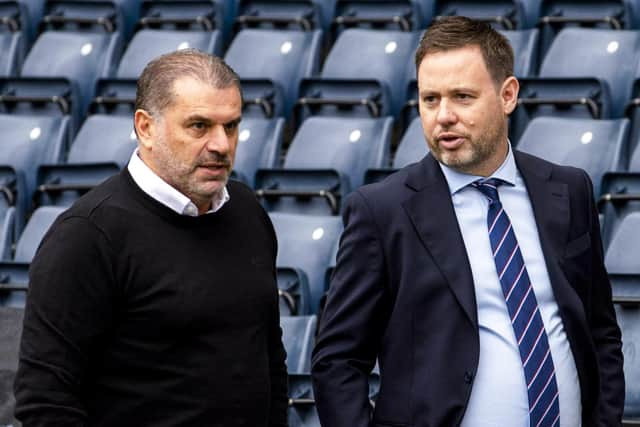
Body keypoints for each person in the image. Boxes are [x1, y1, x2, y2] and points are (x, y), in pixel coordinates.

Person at [311, 16, 624, 427]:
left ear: (507, 94)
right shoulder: (381, 211)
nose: (443, 116)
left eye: (462, 96)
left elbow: (600, 331)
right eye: (430, 99)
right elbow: (337, 360)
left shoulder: (568, 190)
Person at [14, 50, 288, 427]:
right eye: (199, 126)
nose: (221, 145)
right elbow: (46, 400)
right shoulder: (88, 235)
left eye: (231, 126)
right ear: (145, 128)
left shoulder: (246, 212)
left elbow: (269, 357)